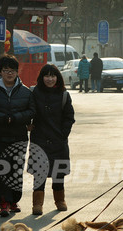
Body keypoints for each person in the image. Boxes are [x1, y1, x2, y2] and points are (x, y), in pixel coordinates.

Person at [0, 55, 36, 217]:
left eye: (12, 70)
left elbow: (31, 111)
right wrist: (1, 117)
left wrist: (15, 118)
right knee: (0, 170)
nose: (9, 74)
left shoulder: (26, 91)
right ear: (0, 72)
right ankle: (3, 203)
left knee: (16, 169)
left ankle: (14, 200)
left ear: (17, 71)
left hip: (18, 137)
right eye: (5, 70)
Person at [29, 64, 75, 215]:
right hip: (39, 139)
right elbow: (26, 111)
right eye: (47, 76)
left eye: (53, 76)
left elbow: (69, 117)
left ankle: (60, 200)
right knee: (39, 173)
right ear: (42, 78)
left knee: (58, 173)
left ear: (58, 78)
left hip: (58, 140)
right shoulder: (34, 93)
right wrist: (27, 125)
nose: (50, 79)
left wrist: (63, 133)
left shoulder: (63, 95)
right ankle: (37, 204)